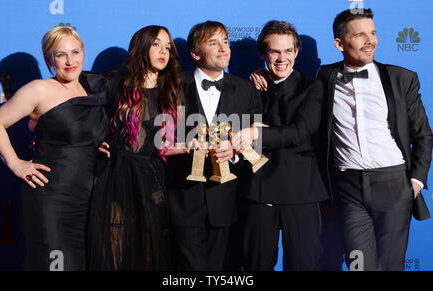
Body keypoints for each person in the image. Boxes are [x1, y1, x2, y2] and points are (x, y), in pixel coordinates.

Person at [316, 9, 432, 270]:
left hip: (394, 185)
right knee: (359, 265)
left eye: (373, 33)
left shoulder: (402, 78)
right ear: (339, 44)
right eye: (360, 35)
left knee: (391, 265)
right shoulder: (322, 77)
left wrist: (415, 182)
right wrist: (262, 75)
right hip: (348, 190)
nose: (370, 41)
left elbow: (423, 135)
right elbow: (288, 83)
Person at [0, 26, 108, 271]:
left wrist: (99, 144)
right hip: (53, 200)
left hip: (90, 200)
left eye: (75, 52)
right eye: (61, 54)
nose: (70, 61)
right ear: (49, 59)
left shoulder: (91, 86)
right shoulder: (39, 89)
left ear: (84, 52)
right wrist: (16, 163)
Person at [86, 25, 184, 271]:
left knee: (150, 249)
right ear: (142, 47)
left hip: (152, 178)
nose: (164, 51)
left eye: (168, 47)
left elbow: (168, 144)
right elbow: (77, 113)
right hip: (115, 177)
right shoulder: (115, 85)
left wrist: (190, 146)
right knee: (115, 250)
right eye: (156, 44)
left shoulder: (173, 89)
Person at [165, 21, 261, 271]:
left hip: (227, 202)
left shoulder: (246, 90)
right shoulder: (173, 86)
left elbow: (258, 142)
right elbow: (158, 138)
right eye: (213, 43)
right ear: (196, 54)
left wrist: (236, 153)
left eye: (226, 42)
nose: (223, 49)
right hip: (182, 198)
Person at [236, 21, 328, 270]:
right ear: (263, 54)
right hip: (258, 188)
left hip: (300, 191)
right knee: (255, 265)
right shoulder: (251, 88)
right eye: (275, 51)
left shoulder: (312, 87)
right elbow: (241, 131)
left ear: (297, 52)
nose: (282, 58)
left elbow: (299, 132)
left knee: (303, 263)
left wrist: (256, 132)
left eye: (288, 51)